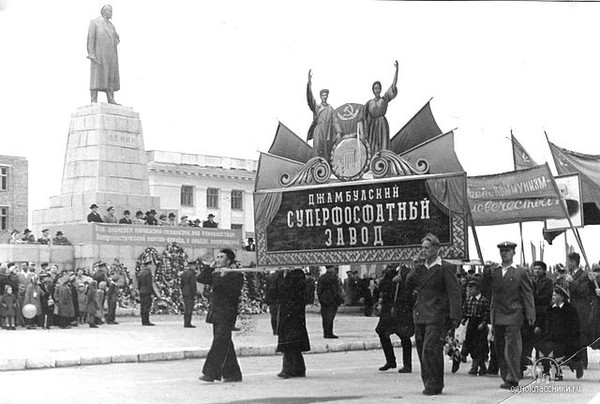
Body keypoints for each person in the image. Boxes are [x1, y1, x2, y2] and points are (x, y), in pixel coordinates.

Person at [404, 233, 462, 396]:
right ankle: (429, 381)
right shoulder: (421, 268)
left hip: (437, 315)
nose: (424, 251)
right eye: (422, 248)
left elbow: (454, 292)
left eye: (427, 248)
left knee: (431, 349)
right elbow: (408, 284)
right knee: (422, 349)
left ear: (436, 249)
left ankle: (434, 383)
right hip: (420, 314)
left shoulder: (445, 267)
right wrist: (415, 266)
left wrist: (455, 316)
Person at [482, 241, 535, 390]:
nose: (504, 253)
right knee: (499, 346)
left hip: (514, 312)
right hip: (498, 313)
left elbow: (527, 293)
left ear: (514, 253)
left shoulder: (520, 271)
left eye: (508, 251)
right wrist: (485, 273)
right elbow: (486, 290)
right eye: (502, 251)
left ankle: (513, 377)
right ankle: (506, 376)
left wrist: (530, 313)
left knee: (512, 347)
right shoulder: (494, 271)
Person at [197, 248, 244, 383]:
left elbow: (231, 293)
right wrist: (210, 267)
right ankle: (233, 374)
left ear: (229, 261)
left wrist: (224, 275)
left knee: (219, 342)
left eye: (221, 257)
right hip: (216, 314)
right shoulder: (216, 274)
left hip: (227, 314)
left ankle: (211, 373)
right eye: (217, 257)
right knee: (225, 343)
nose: (218, 259)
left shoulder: (235, 275)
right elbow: (200, 278)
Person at [538, 286, 584, 380]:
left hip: (566, 338)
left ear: (562, 297)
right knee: (543, 347)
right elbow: (543, 322)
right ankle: (546, 371)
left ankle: (575, 366)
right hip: (551, 337)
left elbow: (575, 328)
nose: (553, 297)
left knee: (557, 349)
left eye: (555, 295)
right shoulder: (550, 308)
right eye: (553, 295)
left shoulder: (570, 310)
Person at [376, 264, 414, 373]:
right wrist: (392, 282)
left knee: (404, 336)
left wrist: (403, 282)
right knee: (381, 332)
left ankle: (407, 364)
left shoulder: (408, 272)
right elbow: (381, 287)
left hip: (402, 309)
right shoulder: (389, 272)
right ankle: (390, 360)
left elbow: (412, 288)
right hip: (388, 308)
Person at [276, 268, 310, 379]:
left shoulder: (297, 274)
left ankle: (289, 369)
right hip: (287, 311)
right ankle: (298, 369)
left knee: (290, 341)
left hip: (294, 312)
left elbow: (291, 291)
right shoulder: (284, 274)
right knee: (292, 342)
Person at [521, 260, 553, 372]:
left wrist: (532, 298)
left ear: (544, 270)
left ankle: (546, 369)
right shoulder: (529, 281)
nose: (537, 271)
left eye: (539, 269)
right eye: (535, 268)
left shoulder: (548, 282)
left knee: (542, 345)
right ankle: (521, 368)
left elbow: (546, 298)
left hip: (541, 315)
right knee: (525, 344)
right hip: (528, 316)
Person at [565, 252, 595, 370]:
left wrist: (572, 281)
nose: (567, 264)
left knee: (581, 334)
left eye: (569, 262)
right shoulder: (569, 274)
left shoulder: (584, 275)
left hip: (580, 308)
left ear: (574, 262)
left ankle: (583, 361)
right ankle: (574, 360)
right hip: (571, 307)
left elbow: (583, 291)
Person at [456, 277, 490, 376]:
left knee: (479, 346)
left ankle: (475, 367)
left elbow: (487, 314)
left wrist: (483, 323)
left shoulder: (484, 301)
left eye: (472, 288)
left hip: (480, 325)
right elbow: (465, 311)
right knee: (470, 344)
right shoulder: (468, 300)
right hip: (471, 323)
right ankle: (481, 366)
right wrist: (463, 319)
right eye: (469, 288)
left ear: (478, 289)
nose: (470, 290)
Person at [87, 4, 120, 104]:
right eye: (110, 11)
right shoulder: (95, 23)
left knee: (110, 76)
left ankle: (110, 98)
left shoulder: (111, 25)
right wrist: (91, 53)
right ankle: (93, 99)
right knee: (97, 77)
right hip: (99, 55)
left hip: (111, 55)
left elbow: (117, 38)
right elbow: (90, 39)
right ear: (105, 12)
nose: (111, 13)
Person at [364, 60, 399, 154]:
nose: (377, 90)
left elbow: (393, 86)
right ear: (373, 90)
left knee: (383, 145)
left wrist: (397, 70)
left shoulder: (384, 99)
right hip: (373, 126)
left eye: (379, 88)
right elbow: (365, 117)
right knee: (373, 146)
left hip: (382, 124)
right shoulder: (369, 103)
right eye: (375, 88)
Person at [306, 70, 340, 160]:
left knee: (326, 152)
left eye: (326, 95)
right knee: (317, 150)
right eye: (323, 95)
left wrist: (339, 132)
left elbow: (335, 121)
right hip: (318, 130)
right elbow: (310, 99)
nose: (324, 97)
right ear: (320, 97)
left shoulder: (330, 109)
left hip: (327, 132)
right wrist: (309, 84)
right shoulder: (317, 108)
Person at [317, 265, 343, 339]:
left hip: (324, 300)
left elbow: (319, 290)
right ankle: (329, 333)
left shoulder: (322, 277)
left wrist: (321, 299)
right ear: (331, 268)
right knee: (330, 317)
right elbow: (335, 289)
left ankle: (326, 332)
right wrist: (338, 299)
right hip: (332, 300)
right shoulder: (333, 277)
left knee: (325, 317)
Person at [264, 270, 284, 335]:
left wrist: (266, 301)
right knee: (278, 314)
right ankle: (278, 330)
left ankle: (275, 330)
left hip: (273, 300)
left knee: (274, 315)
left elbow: (267, 290)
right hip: (279, 299)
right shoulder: (284, 277)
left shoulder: (270, 277)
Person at [137, 259, 155, 326]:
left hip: (142, 291)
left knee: (142, 306)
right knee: (147, 306)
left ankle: (143, 321)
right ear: (149, 265)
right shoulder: (148, 272)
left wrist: (140, 289)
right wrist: (152, 293)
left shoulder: (141, 272)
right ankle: (146, 321)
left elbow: (139, 283)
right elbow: (149, 284)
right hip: (147, 291)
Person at [180, 262, 198, 328]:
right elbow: (193, 284)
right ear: (192, 266)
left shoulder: (184, 273)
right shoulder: (192, 273)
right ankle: (188, 323)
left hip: (185, 291)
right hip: (190, 292)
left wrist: (183, 290)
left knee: (186, 307)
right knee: (189, 308)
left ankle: (186, 322)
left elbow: (181, 284)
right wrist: (195, 293)